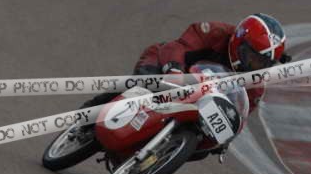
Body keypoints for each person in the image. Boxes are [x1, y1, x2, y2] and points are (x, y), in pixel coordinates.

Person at [82, 14, 291, 114]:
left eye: (262, 63)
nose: (254, 66)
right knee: (144, 81)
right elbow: (178, 46)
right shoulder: (216, 32)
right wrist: (174, 70)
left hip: (198, 100)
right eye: (253, 58)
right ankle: (89, 112)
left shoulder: (255, 86)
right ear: (239, 42)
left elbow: (239, 113)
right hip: (167, 65)